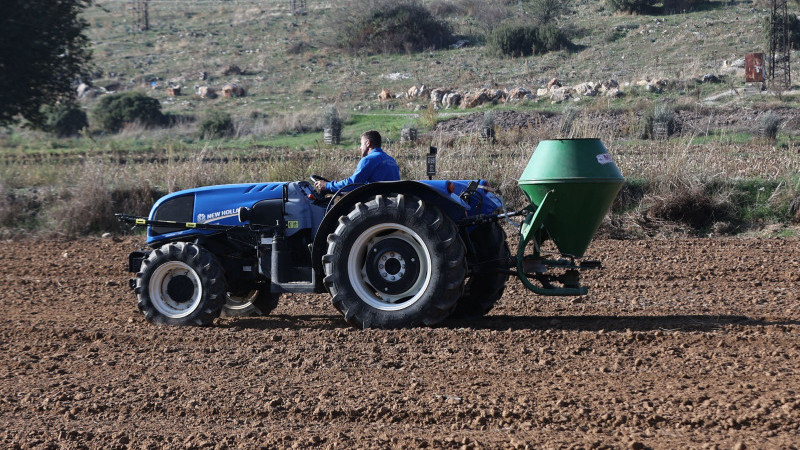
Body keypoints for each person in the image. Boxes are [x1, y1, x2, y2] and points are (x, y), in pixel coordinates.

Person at [314, 130, 400, 193]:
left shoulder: (369, 160)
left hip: (377, 200)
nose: (360, 147)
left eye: (361, 144)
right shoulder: (391, 160)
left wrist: (327, 185)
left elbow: (353, 183)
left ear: (368, 143)